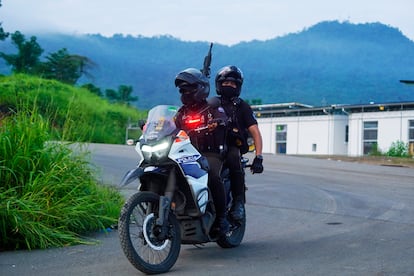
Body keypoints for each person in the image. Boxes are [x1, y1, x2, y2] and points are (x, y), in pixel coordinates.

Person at [174, 67, 230, 236]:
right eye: (182, 90)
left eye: (189, 89)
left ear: (201, 89)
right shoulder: (181, 113)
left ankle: (222, 218)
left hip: (210, 153)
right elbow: (170, 126)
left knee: (212, 175)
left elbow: (223, 118)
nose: (185, 92)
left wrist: (218, 122)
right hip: (186, 153)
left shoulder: (212, 107)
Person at [214, 65, 264, 221]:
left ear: (238, 87)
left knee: (233, 157)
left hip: (231, 146)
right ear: (218, 84)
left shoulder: (242, 107)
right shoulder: (210, 104)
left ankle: (238, 203)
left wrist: (259, 157)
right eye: (225, 83)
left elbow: (255, 131)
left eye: (233, 84)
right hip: (210, 146)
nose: (229, 86)